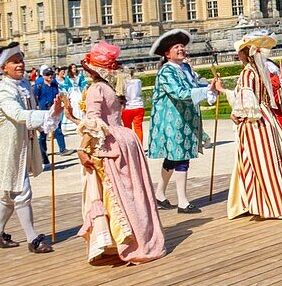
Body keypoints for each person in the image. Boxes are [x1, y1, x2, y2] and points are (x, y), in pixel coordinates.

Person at [71, 41, 166, 264]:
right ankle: (135, 237)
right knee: (132, 192)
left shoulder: (95, 89)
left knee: (116, 193)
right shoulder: (109, 88)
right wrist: (72, 116)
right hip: (124, 138)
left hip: (110, 144)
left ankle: (127, 240)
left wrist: (83, 148)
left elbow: (95, 122)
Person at [224, 31, 282, 220]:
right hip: (267, 117)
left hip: (255, 121)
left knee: (261, 162)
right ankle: (278, 200)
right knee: (275, 158)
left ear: (244, 54)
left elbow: (247, 101)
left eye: (239, 53)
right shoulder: (261, 70)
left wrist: (236, 114)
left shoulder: (248, 72)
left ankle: (277, 205)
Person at [0, 42, 65, 253]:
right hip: (10, 149)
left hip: (23, 146)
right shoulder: (3, 91)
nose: (20, 65)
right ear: (4, 67)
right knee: (21, 192)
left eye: (21, 61)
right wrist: (48, 115)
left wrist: (50, 115)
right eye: (15, 62)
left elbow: (31, 112)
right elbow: (20, 115)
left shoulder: (23, 85)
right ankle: (33, 239)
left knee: (10, 194)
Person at [146, 29, 224, 214]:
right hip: (171, 120)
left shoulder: (186, 68)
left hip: (185, 119)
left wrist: (210, 87)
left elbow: (195, 87)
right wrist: (206, 91)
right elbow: (179, 93)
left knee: (174, 158)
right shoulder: (166, 72)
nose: (181, 49)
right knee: (181, 157)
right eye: (177, 47)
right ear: (167, 53)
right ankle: (182, 201)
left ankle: (159, 194)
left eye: (182, 46)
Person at [34, 67, 67, 166]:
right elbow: (36, 97)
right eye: (48, 74)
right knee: (43, 135)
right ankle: (44, 158)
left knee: (58, 129)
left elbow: (57, 95)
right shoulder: (39, 85)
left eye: (51, 74)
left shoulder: (54, 84)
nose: (50, 76)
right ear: (43, 76)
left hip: (54, 110)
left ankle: (62, 148)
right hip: (44, 111)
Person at [121, 65, 146, 143]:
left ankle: (130, 144)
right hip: (138, 105)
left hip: (127, 107)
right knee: (138, 127)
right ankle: (140, 145)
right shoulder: (138, 81)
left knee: (127, 128)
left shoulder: (124, 82)